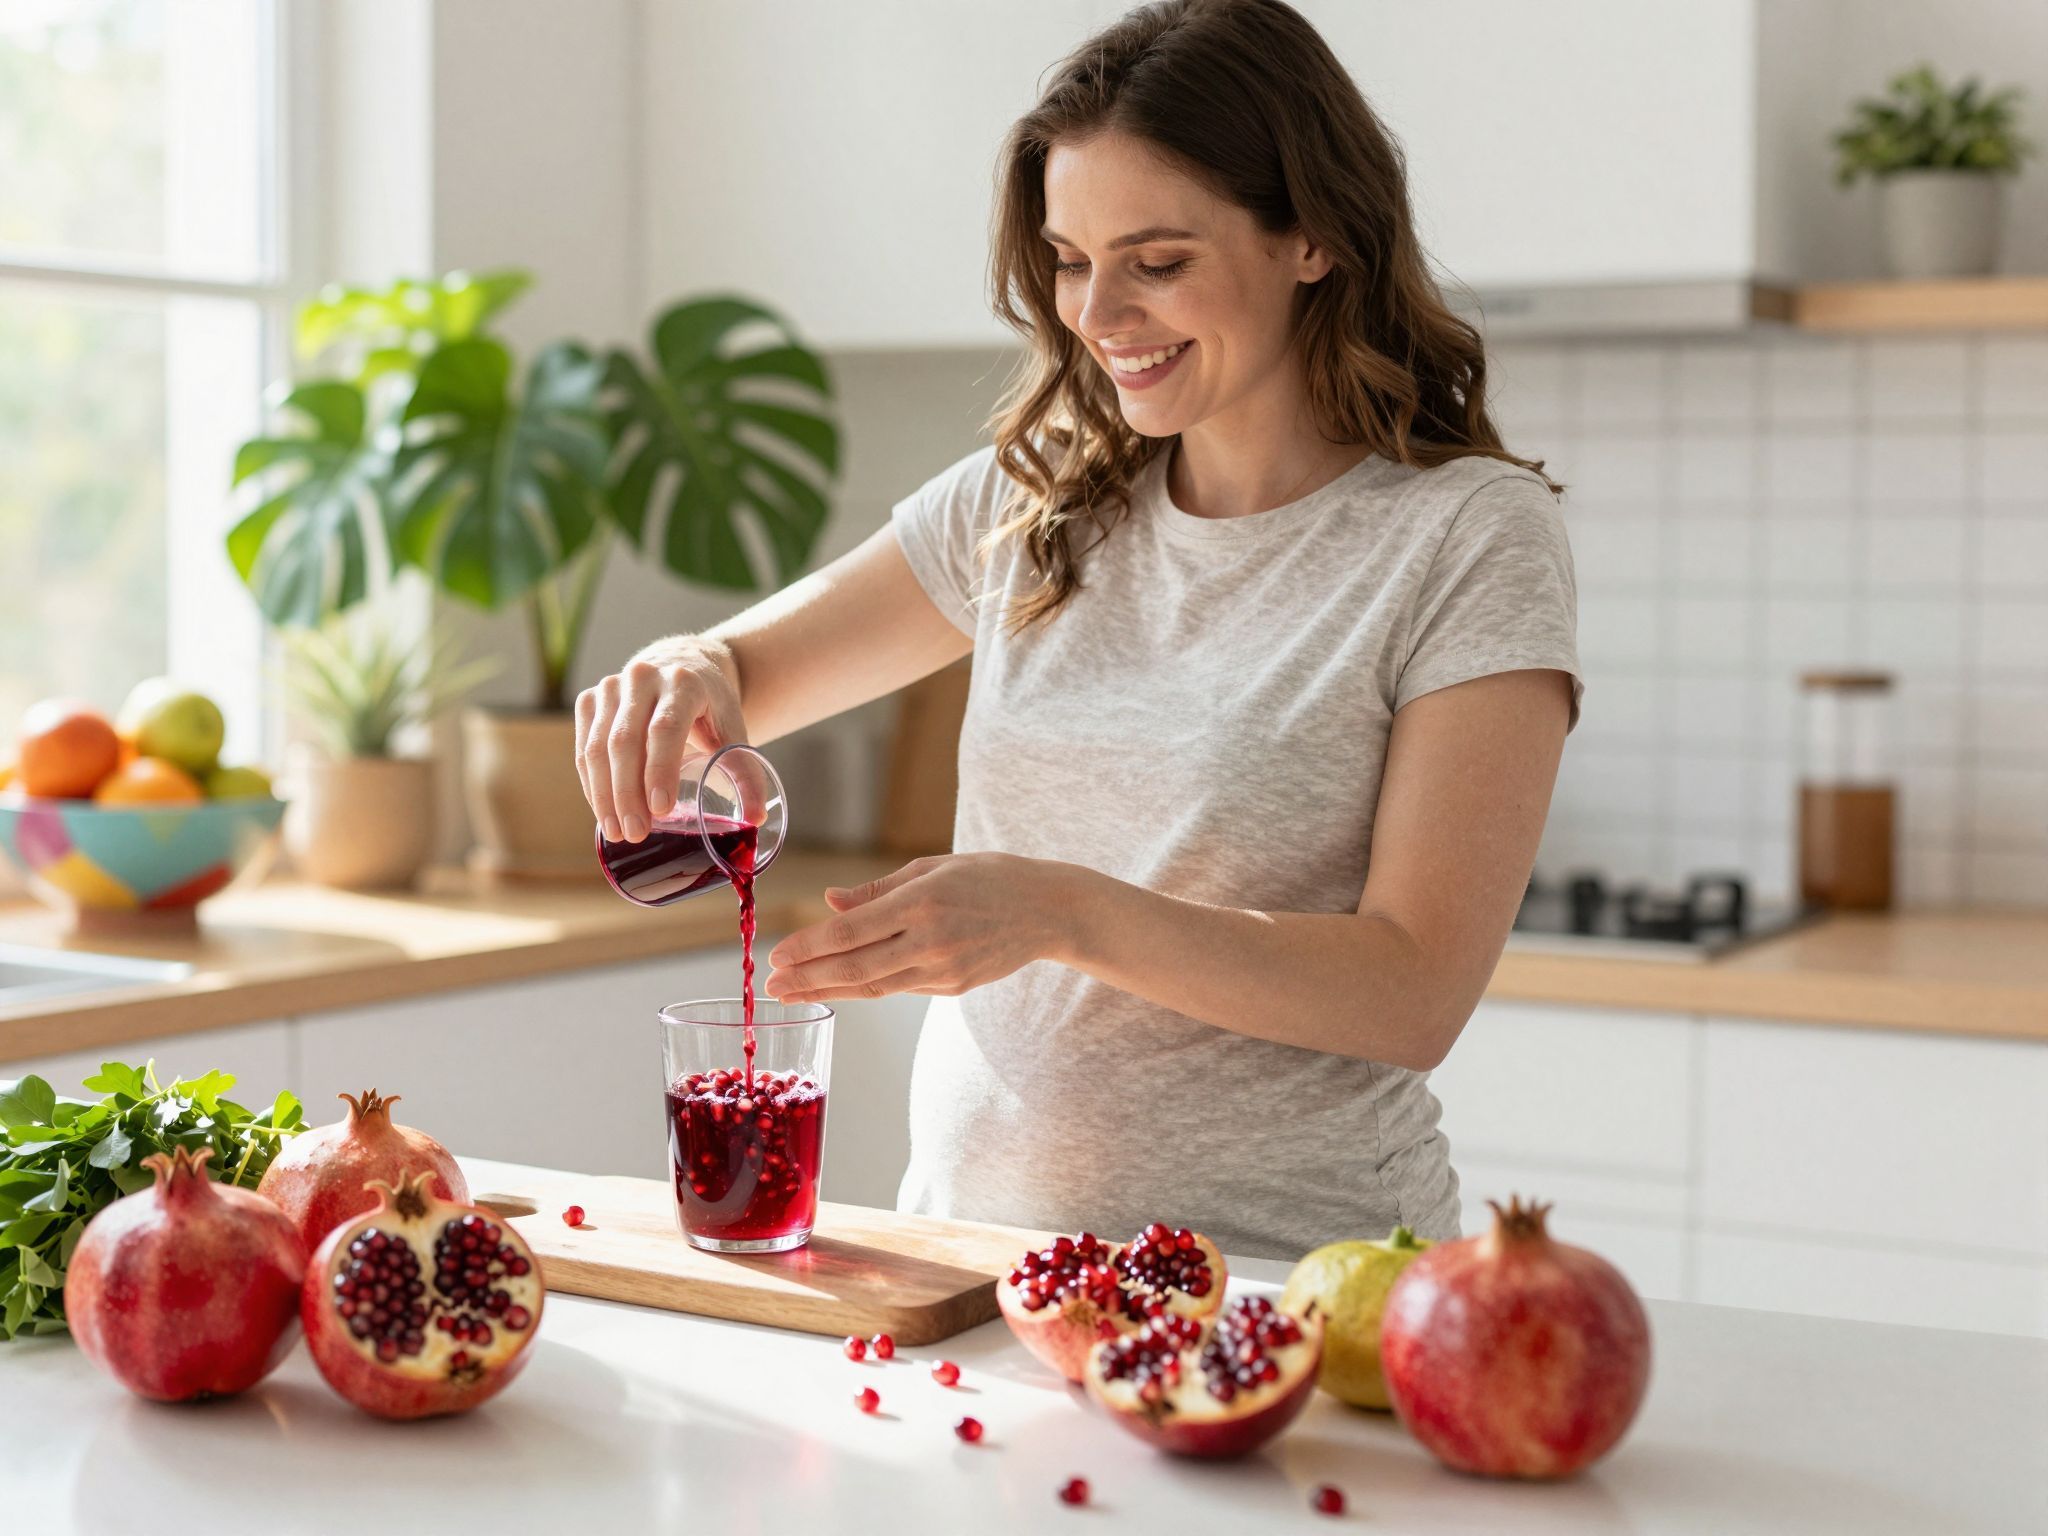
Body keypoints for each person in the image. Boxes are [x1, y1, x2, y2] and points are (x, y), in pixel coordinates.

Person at [575, 0, 1581, 1259]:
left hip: (1280, 1282)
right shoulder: (1035, 495)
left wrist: (1060, 913)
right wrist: (681, 670)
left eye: (1156, 262)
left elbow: (1413, 988)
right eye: (1066, 259)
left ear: (1311, 237)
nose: (1097, 314)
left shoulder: (1464, 535)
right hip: (969, 1262)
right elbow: (739, 680)